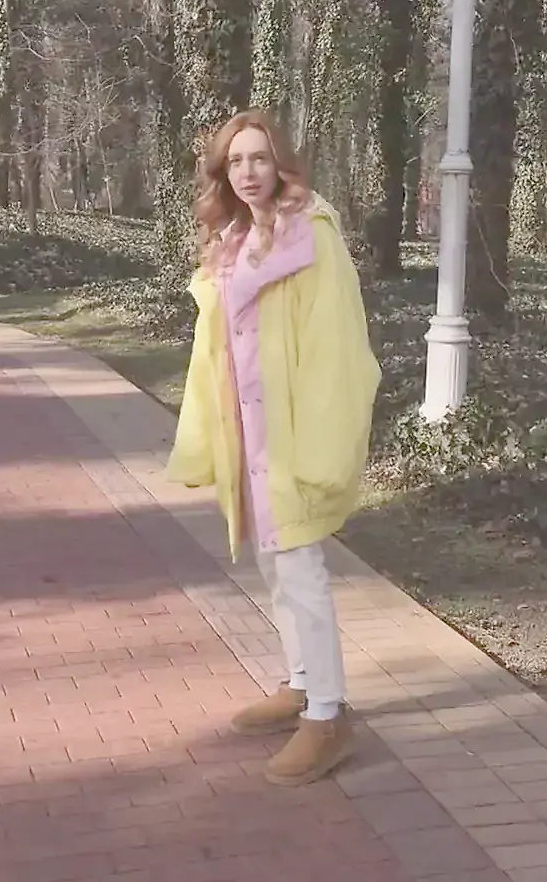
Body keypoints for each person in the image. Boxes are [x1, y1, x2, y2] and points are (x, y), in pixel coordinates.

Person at [165, 108, 382, 787]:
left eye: (259, 158)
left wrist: (319, 443)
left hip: (293, 434)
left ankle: (328, 713)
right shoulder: (232, 241)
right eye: (235, 161)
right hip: (248, 432)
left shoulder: (311, 237)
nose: (248, 172)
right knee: (274, 564)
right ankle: (300, 682)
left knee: (302, 568)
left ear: (280, 164)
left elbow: (336, 346)